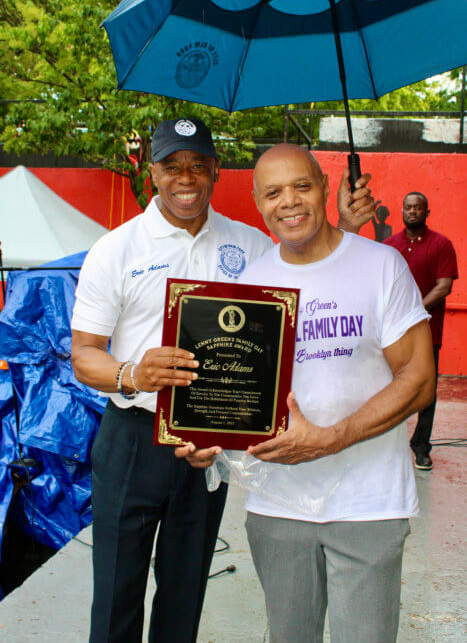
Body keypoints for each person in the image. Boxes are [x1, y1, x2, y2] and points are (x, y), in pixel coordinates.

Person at [70, 119, 374, 643]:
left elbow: (311, 262)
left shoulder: (251, 244)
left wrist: (342, 224)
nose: (184, 177)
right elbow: (83, 357)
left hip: (211, 446)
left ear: (215, 170)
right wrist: (132, 373)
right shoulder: (116, 249)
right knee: (117, 591)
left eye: (197, 164)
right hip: (133, 441)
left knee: (185, 593)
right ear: (153, 172)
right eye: (171, 166)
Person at [177, 144, 435, 643]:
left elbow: (419, 379)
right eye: (273, 193)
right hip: (277, 506)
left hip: (368, 503)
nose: (289, 202)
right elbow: (235, 396)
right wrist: (207, 442)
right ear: (258, 203)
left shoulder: (380, 266)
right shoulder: (250, 286)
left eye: (301, 186)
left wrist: (331, 438)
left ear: (324, 186)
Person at [384, 192, 458, 470]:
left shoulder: (441, 244)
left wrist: (414, 313)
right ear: (402, 211)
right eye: (408, 207)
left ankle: (421, 447)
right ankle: (387, 445)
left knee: (426, 389)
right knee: (389, 387)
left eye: (418, 208)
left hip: (427, 332)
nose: (412, 211)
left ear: (427, 212)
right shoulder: (389, 245)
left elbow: (444, 286)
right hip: (392, 332)